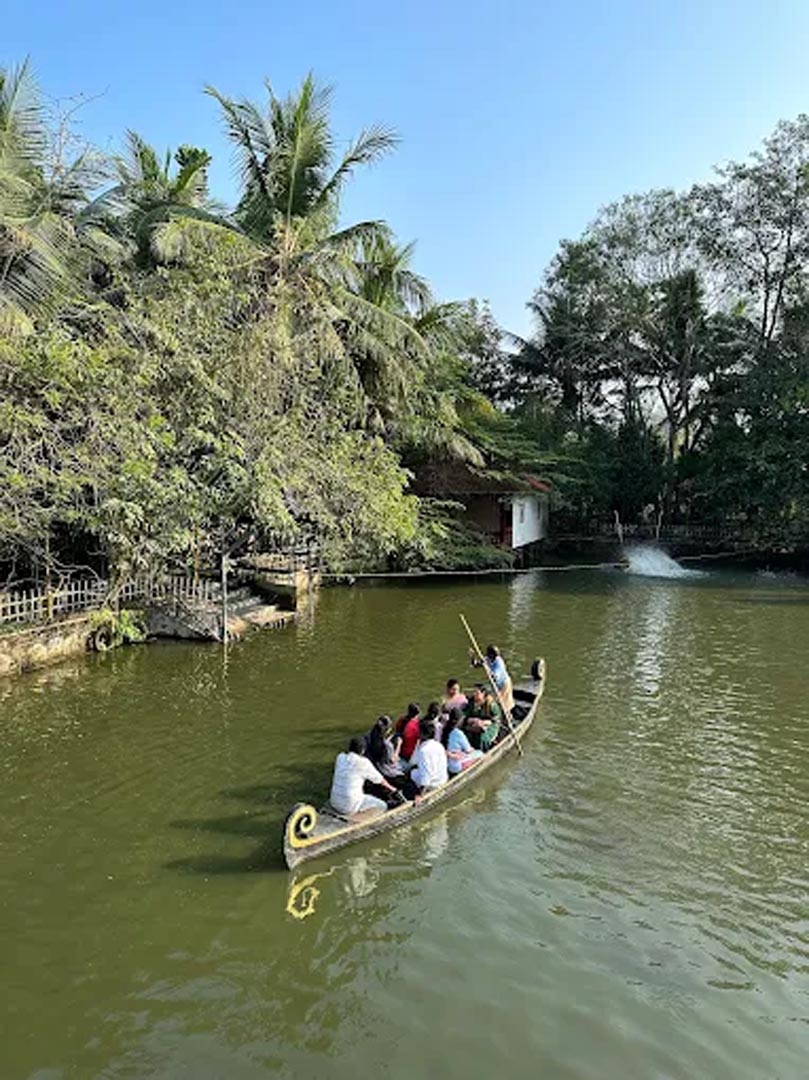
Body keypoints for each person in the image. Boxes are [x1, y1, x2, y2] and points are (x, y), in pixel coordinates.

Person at [330, 735, 397, 815]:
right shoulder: (363, 763)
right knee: (383, 805)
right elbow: (380, 780)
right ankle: (360, 819)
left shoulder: (340, 757)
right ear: (363, 751)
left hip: (334, 802)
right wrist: (392, 788)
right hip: (350, 806)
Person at [409, 718, 448, 793]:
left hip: (433, 785)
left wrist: (420, 795)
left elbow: (426, 776)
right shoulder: (439, 745)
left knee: (412, 773)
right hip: (443, 779)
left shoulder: (424, 751)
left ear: (422, 734)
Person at [442, 707, 483, 774]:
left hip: (448, 763)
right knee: (480, 753)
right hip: (456, 766)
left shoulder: (445, 729)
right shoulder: (458, 733)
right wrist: (472, 750)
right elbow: (468, 750)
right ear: (459, 720)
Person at [463, 684, 503, 751]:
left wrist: (483, 722)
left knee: (482, 736)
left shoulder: (491, 704)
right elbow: (466, 715)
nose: (474, 694)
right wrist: (472, 720)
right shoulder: (472, 702)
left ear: (483, 693)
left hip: (490, 725)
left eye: (477, 692)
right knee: (466, 732)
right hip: (473, 723)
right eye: (474, 692)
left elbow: (495, 720)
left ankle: (483, 751)